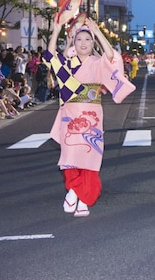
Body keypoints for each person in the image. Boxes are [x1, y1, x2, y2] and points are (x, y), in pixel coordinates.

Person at [44, 17, 135, 218]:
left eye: (88, 39)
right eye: (79, 40)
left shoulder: (97, 62)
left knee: (89, 156)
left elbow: (111, 56)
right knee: (70, 156)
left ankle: (81, 196)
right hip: (69, 114)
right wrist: (57, 28)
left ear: (92, 43)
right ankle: (75, 191)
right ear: (73, 43)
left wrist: (98, 31)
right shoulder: (67, 63)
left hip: (92, 114)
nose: (83, 43)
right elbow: (50, 56)